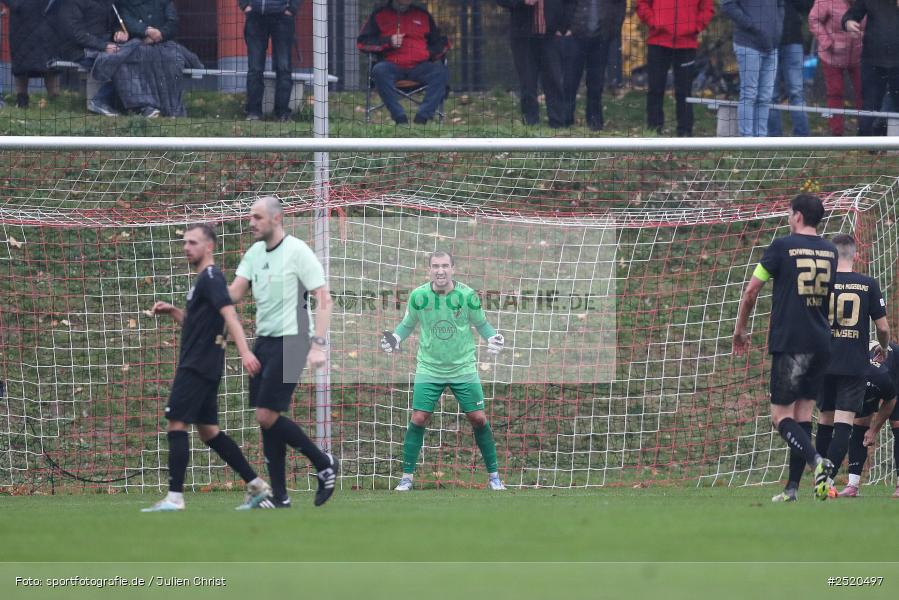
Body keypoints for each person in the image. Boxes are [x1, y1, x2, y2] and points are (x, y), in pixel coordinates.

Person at [142, 224, 271, 512]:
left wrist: (246, 352)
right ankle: (257, 486)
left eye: (193, 242)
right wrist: (175, 312)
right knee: (209, 432)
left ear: (209, 247)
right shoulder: (203, 281)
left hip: (196, 366)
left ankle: (174, 498)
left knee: (177, 422)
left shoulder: (211, 277)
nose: (187, 247)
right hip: (205, 365)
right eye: (185, 242)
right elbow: (199, 324)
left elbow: (230, 316)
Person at [228, 196, 338, 509]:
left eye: (258, 217)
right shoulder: (253, 253)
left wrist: (318, 343)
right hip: (264, 341)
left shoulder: (298, 251)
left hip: (293, 341)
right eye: (250, 217)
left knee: (266, 414)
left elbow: (324, 298)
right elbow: (234, 292)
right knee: (267, 419)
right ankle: (281, 496)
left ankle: (323, 462)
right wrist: (206, 291)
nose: (251, 223)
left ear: (277, 219)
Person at [732, 194, 837, 502]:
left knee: (780, 416)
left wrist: (740, 328)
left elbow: (752, 290)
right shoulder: (830, 251)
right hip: (821, 341)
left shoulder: (782, 246)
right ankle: (792, 489)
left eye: (790, 214)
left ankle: (817, 460)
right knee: (803, 415)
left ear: (799, 216)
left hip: (792, 341)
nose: (789, 218)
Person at [381, 251, 506, 491]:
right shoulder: (419, 296)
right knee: (418, 418)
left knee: (478, 419)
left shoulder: (468, 296)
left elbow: (481, 324)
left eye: (445, 266)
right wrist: (395, 338)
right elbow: (407, 325)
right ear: (429, 270)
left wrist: (494, 337)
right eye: (436, 266)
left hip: (463, 367)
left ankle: (494, 477)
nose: (440, 270)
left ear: (453, 269)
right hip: (429, 367)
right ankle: (406, 477)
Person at [811, 234, 889, 497]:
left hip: (823, 361)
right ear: (855, 255)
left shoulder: (820, 284)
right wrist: (885, 347)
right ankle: (826, 481)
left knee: (825, 420)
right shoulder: (867, 284)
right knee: (845, 423)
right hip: (854, 363)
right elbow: (882, 327)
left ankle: (819, 479)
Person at [357, 0, 449, 125]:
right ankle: (399, 118)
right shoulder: (379, 14)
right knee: (379, 70)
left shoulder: (423, 15)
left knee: (441, 72)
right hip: (391, 66)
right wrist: (389, 42)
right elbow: (362, 43)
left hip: (420, 67)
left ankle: (422, 118)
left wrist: (427, 53)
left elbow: (437, 43)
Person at [636, 0, 715, 136]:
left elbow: (707, 7)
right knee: (655, 88)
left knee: (684, 91)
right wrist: (654, 21)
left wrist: (695, 27)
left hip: (686, 43)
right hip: (658, 40)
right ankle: (653, 130)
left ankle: (684, 132)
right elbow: (642, 4)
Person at [836, 341, 898, 497]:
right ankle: (852, 486)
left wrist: (874, 430)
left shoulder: (880, 377)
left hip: (894, 376)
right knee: (859, 426)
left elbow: (890, 401)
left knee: (897, 424)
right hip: (868, 379)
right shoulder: (844, 373)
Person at [721, 0, 785, 136]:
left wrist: (778, 27)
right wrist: (751, 25)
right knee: (749, 94)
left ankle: (760, 140)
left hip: (772, 46)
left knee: (765, 97)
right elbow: (727, 5)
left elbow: (781, 4)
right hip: (748, 44)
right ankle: (746, 140)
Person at [52, 0, 124, 117]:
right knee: (115, 62)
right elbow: (76, 33)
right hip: (76, 50)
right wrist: (103, 46)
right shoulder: (70, 3)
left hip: (103, 46)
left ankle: (107, 102)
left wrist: (118, 32)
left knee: (128, 58)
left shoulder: (108, 2)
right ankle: (99, 101)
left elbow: (115, 23)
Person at [564, 0, 626, 131]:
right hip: (575, 36)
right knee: (570, 81)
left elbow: (620, 6)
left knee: (596, 83)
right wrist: (566, 27)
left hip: (601, 38)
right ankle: (565, 120)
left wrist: (613, 30)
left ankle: (594, 121)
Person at [842, 0, 899, 137]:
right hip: (872, 60)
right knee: (870, 104)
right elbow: (851, 15)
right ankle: (865, 145)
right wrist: (848, 23)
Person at [808, 0, 864, 136]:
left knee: (863, 92)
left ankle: (865, 130)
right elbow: (813, 19)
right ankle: (836, 132)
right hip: (831, 55)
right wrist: (827, 42)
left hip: (859, 55)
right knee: (835, 92)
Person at [240, 0, 299, 122]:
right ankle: (254, 112)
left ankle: (282, 113)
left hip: (282, 16)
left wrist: (292, 8)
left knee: (284, 67)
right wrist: (244, 5)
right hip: (256, 16)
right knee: (255, 68)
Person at [3, 0, 61, 108]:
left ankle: (55, 101)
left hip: (48, 17)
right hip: (21, 20)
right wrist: (15, 4)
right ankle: (22, 101)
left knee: (51, 61)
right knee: (21, 62)